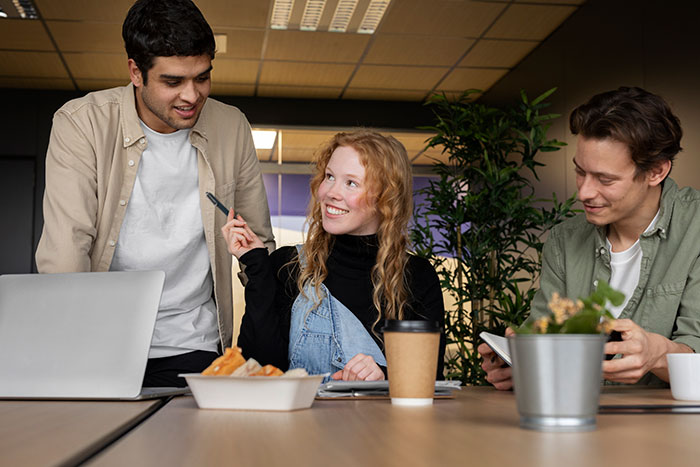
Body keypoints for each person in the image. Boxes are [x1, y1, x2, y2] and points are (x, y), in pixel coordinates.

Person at [35, 0, 275, 387]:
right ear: (136, 71)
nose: (192, 96)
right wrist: (69, 349)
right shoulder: (82, 124)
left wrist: (268, 346)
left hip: (193, 342)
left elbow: (259, 243)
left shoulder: (231, 126)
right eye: (173, 81)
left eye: (202, 77)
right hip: (101, 341)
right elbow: (67, 247)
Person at [479, 86, 700, 389]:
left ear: (656, 172)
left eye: (605, 179)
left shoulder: (695, 229)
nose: (584, 192)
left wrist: (658, 354)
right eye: (580, 172)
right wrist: (522, 363)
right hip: (577, 422)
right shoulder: (565, 239)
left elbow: (695, 345)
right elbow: (545, 335)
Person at [222, 131, 446, 380]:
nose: (330, 192)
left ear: (386, 197)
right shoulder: (287, 265)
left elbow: (429, 379)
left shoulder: (417, 276)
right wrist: (257, 266)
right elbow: (259, 368)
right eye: (329, 177)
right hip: (299, 419)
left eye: (351, 183)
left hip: (380, 420)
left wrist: (385, 376)